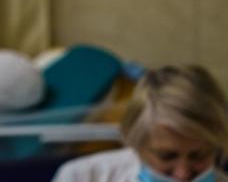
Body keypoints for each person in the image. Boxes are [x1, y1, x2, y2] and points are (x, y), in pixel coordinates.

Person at [53, 64, 228, 182]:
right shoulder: (83, 177)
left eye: (199, 156)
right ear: (135, 141)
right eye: (166, 156)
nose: (182, 174)